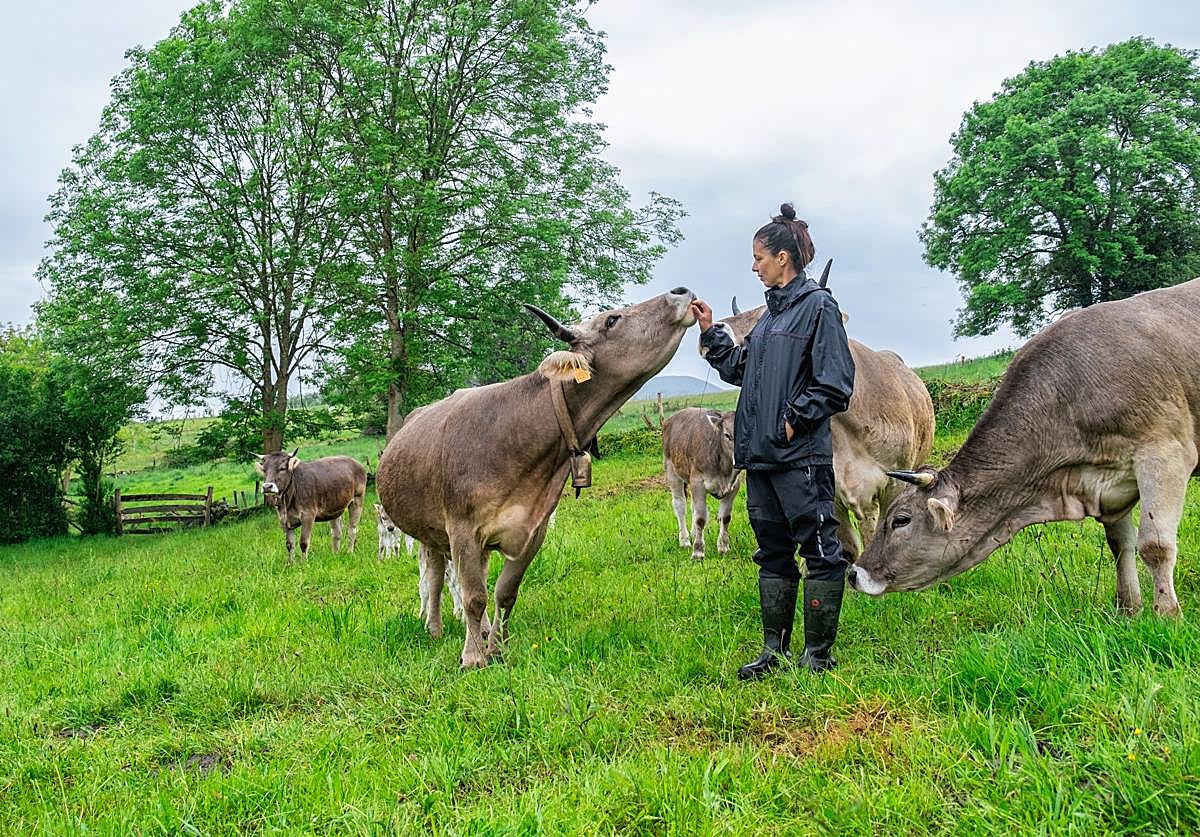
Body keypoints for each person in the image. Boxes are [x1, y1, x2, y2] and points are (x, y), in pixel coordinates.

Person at [691, 204, 855, 680]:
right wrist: (711, 333)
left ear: (783, 258)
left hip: (800, 457)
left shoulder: (819, 308)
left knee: (820, 551)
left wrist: (792, 421)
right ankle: (774, 652)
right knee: (772, 553)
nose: (754, 266)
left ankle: (818, 655)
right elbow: (742, 370)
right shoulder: (768, 318)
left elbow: (835, 384)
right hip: (760, 458)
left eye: (759, 257)